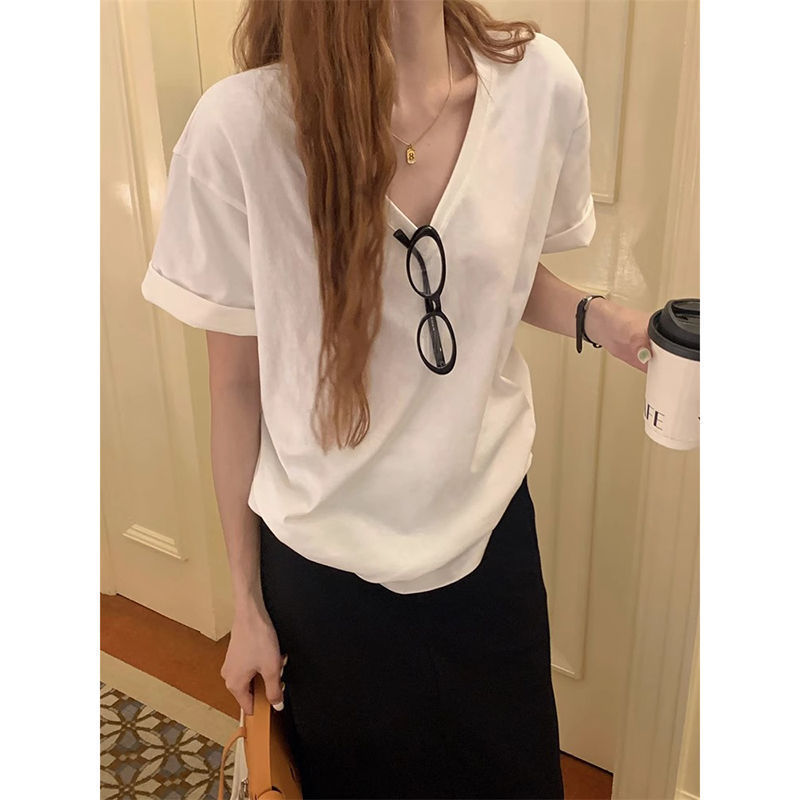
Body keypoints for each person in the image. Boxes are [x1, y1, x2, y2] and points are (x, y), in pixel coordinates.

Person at [140, 1, 652, 797]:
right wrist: (245, 605)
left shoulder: (539, 87)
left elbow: (495, 270)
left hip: (488, 548)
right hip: (326, 581)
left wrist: (600, 317)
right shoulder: (239, 132)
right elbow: (235, 386)